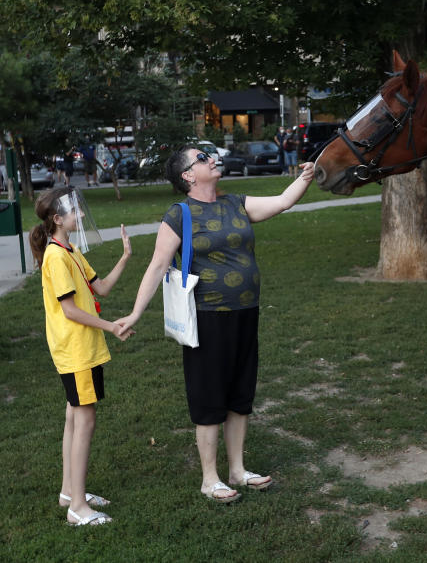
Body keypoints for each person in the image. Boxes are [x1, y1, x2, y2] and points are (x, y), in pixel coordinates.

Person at [116, 145, 315, 503]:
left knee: (240, 394)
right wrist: (134, 313)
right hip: (206, 318)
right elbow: (158, 265)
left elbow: (283, 201)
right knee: (209, 397)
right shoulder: (180, 214)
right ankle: (210, 479)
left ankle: (237, 470)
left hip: (245, 311)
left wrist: (306, 177)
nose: (211, 159)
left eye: (210, 155)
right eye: (202, 158)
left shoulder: (235, 203)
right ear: (188, 176)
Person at [29, 186, 132, 526]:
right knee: (84, 419)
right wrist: (111, 326)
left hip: (79, 349)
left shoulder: (68, 250)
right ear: (57, 219)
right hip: (76, 351)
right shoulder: (57, 257)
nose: (82, 215)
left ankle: (68, 492)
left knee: (75, 416)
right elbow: (70, 310)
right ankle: (78, 508)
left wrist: (125, 256)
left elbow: (100, 288)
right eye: (75, 212)